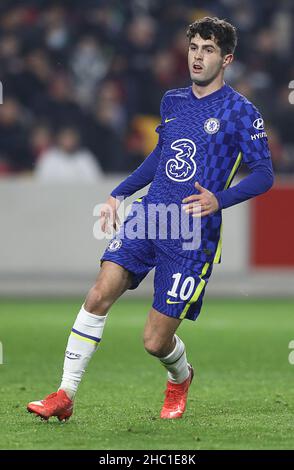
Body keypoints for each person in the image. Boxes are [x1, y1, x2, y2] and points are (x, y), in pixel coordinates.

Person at [27, 17, 274, 421]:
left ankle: (180, 377)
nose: (198, 56)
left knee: (155, 341)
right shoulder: (173, 101)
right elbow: (161, 156)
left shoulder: (241, 112)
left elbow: (264, 174)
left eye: (208, 49)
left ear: (226, 58)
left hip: (193, 234)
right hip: (151, 216)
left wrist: (220, 200)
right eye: (194, 47)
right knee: (98, 294)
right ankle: (64, 394)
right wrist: (119, 193)